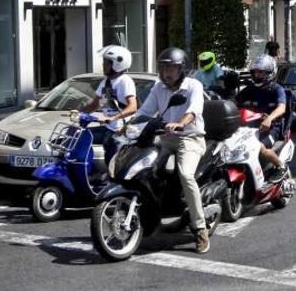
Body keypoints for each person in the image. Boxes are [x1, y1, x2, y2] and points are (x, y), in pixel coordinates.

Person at [134, 47, 210, 253]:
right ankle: (151, 217)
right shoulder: (159, 87)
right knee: (141, 167)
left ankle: (200, 229)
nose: (165, 72)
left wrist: (179, 123)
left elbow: (194, 111)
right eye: (163, 67)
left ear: (182, 69)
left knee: (186, 175)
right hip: (165, 138)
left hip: (190, 138)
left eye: (171, 68)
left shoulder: (193, 85)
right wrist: (124, 123)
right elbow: (145, 111)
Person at [235, 55, 289, 183]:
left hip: (273, 126)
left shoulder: (277, 89)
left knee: (259, 147)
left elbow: (281, 108)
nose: (257, 75)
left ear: (270, 73)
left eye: (261, 72)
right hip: (251, 125)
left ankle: (281, 166)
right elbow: (233, 103)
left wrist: (269, 118)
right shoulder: (250, 89)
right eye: (255, 72)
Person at [81, 45, 138, 164]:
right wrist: (78, 112)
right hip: (108, 127)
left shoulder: (124, 81)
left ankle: (110, 179)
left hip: (120, 129)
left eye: (106, 63)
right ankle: (90, 171)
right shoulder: (105, 82)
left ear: (117, 64)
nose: (103, 65)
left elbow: (133, 107)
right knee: (80, 137)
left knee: (112, 160)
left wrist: (112, 118)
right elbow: (94, 105)